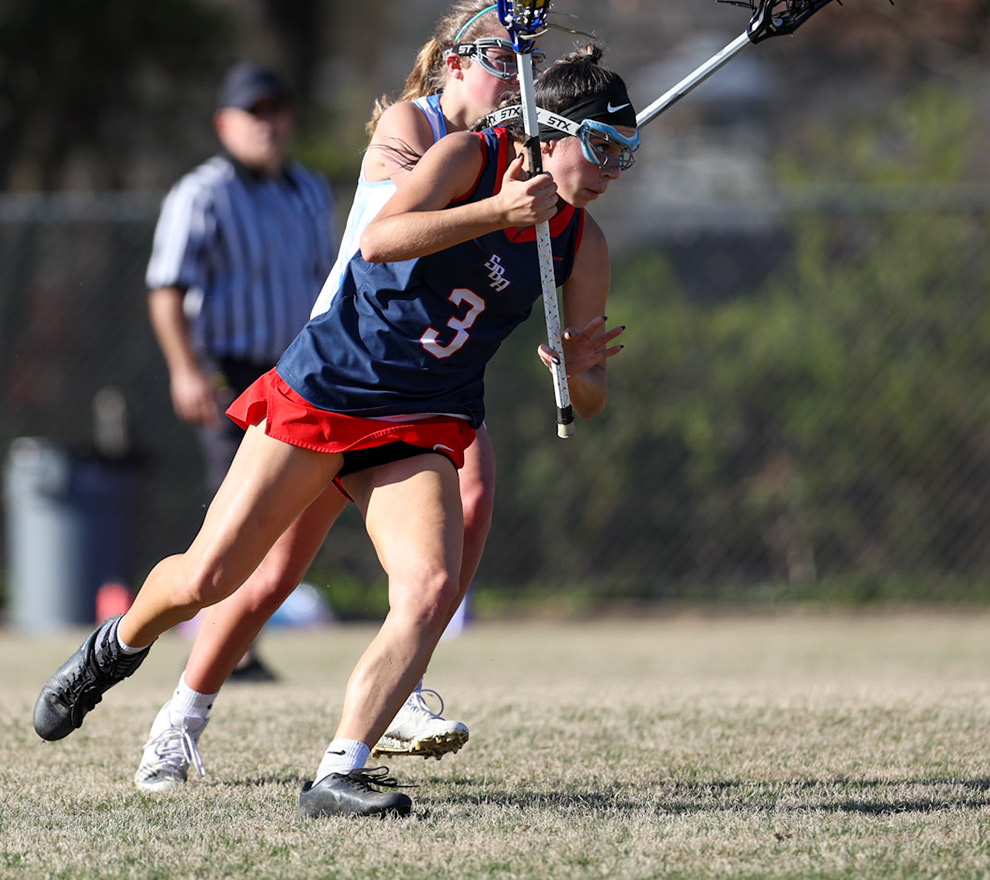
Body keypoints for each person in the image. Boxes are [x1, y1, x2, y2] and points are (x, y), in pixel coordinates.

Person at [35, 45, 638, 819]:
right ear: (549, 134)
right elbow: (380, 239)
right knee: (210, 579)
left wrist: (578, 369)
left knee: (428, 589)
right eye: (601, 148)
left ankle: (338, 773)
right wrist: (497, 212)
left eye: (625, 155)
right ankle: (113, 647)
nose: (611, 171)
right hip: (333, 386)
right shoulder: (465, 157)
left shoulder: (581, 243)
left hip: (421, 418)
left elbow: (589, 400)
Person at [131, 0, 524, 792]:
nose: (518, 79)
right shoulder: (412, 132)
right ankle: (182, 715)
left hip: (429, 379)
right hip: (347, 375)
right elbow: (390, 241)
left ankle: (404, 684)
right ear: (456, 63)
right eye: (501, 60)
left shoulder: (494, 150)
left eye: (527, 65)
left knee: (473, 502)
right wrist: (498, 206)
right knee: (263, 576)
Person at [144, 61, 337, 679]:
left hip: (299, 368)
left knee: (290, 509)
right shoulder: (202, 193)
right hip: (229, 367)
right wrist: (184, 370)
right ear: (224, 123)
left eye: (277, 110)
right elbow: (167, 289)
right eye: (254, 113)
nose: (269, 124)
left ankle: (237, 634)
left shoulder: (310, 190)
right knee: (238, 503)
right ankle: (228, 645)